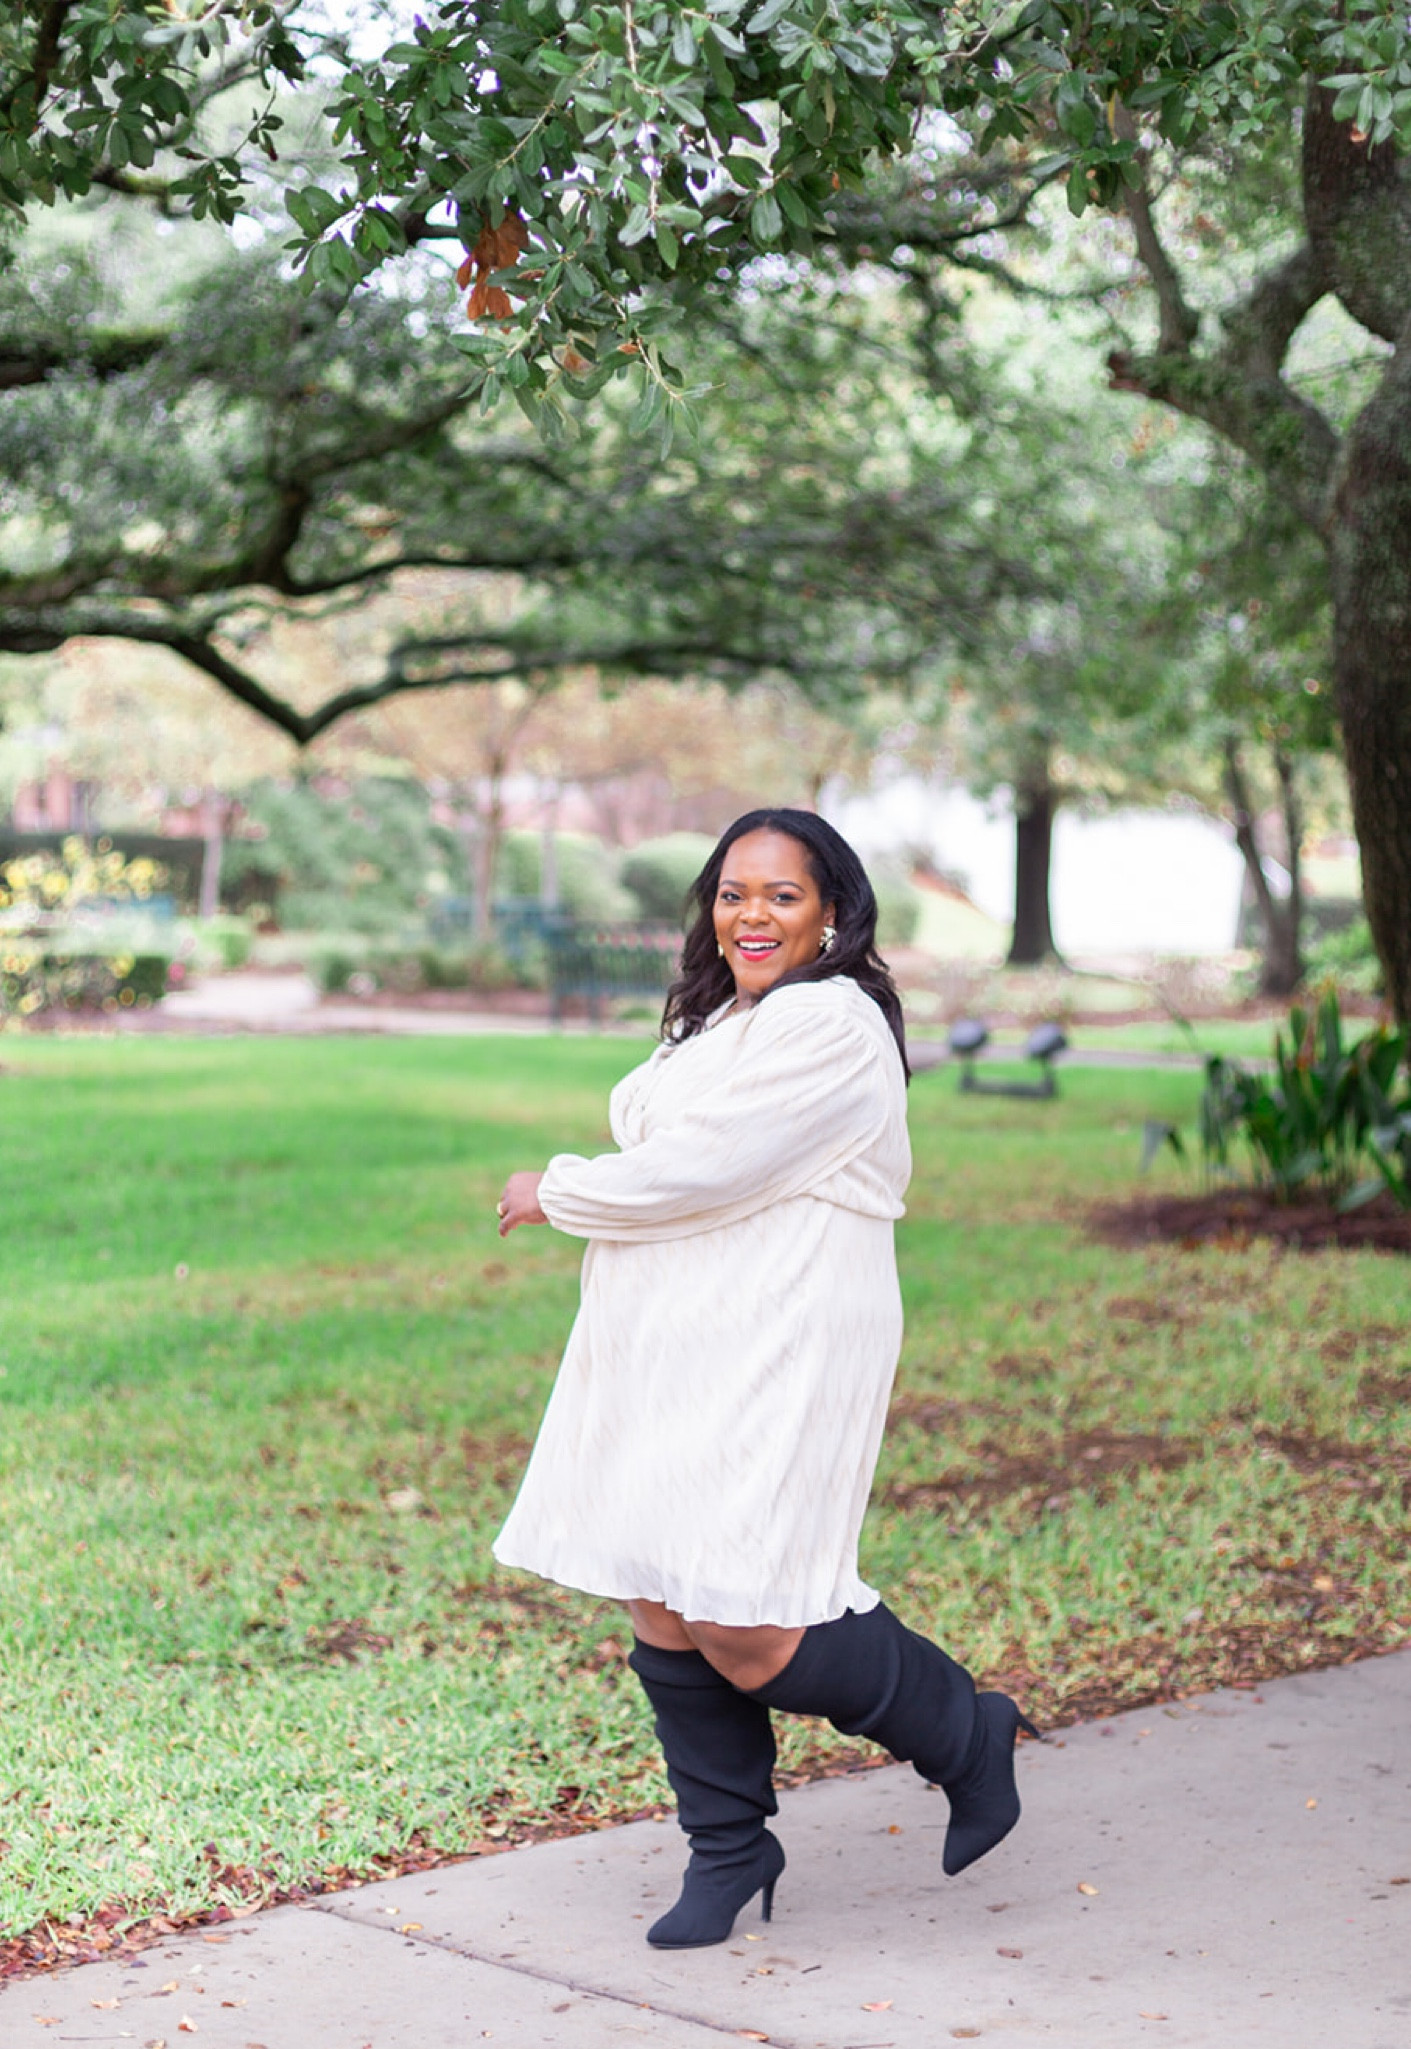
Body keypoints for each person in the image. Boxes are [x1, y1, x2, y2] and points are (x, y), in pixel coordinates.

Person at [493, 808, 1039, 1950]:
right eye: (733, 894)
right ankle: (730, 1850)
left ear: (832, 910)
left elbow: (704, 1165)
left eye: (781, 896)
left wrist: (562, 1188)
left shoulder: (833, 1025)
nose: (751, 915)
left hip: (779, 1327)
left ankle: (961, 1730)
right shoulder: (718, 1020)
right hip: (668, 1327)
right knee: (659, 1586)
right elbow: (675, 1146)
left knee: (748, 1620)